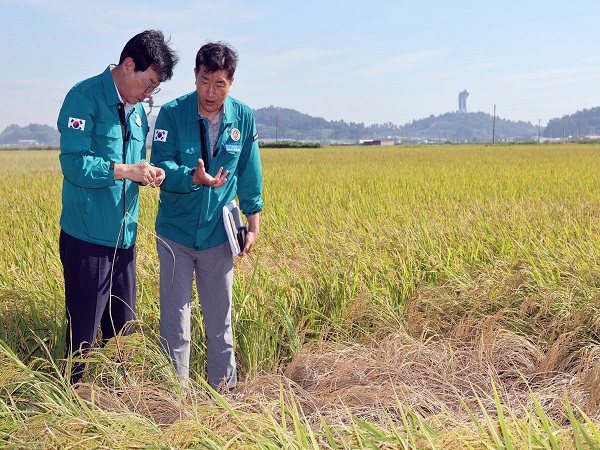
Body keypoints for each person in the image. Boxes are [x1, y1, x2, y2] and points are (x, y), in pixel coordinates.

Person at [57, 30, 179, 383]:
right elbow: (74, 164)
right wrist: (127, 171)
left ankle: (111, 401)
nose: (149, 93)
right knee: (83, 333)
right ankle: (70, 403)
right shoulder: (85, 97)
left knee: (121, 330)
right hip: (88, 238)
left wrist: (146, 172)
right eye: (149, 83)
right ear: (129, 65)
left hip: (124, 238)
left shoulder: (138, 110)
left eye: (155, 88)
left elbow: (133, 160)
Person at [151, 41, 263, 391]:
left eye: (219, 84)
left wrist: (254, 219)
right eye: (204, 81)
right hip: (176, 234)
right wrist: (191, 177)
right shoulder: (171, 113)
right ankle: (175, 404)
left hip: (218, 234)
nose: (210, 92)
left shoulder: (243, 117)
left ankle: (225, 400)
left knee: (219, 322)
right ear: (195, 76)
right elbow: (161, 165)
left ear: (231, 82)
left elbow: (248, 169)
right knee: (175, 324)